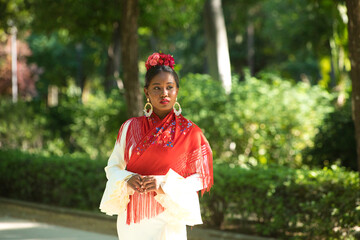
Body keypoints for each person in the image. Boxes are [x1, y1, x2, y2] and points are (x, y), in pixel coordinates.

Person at [99, 52, 213, 240]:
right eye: (157, 88)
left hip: (169, 214)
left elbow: (201, 177)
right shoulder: (130, 128)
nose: (164, 93)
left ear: (177, 90)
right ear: (146, 92)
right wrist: (128, 178)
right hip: (133, 218)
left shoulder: (191, 132)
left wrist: (163, 184)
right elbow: (112, 167)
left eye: (170, 87)